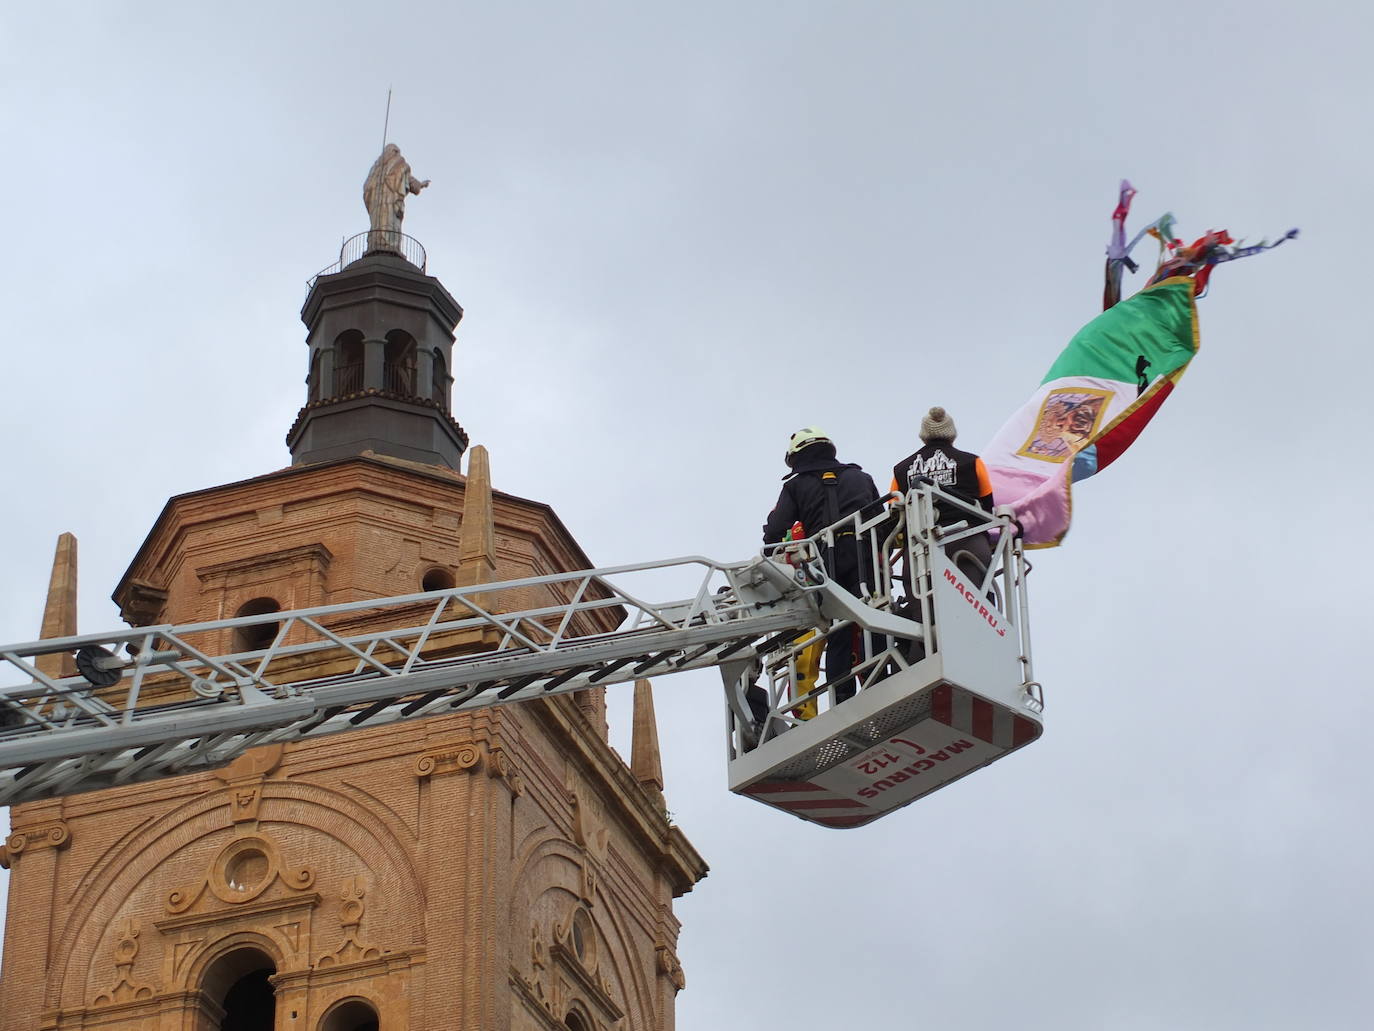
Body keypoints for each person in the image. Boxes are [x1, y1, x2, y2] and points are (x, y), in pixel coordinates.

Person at [762, 427, 881, 704]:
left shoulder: (795, 485)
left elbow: (776, 530)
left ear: (796, 457)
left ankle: (842, 697)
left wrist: (773, 546)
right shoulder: (861, 478)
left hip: (826, 561)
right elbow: (881, 519)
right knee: (874, 616)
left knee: (838, 627)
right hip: (864, 553)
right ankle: (881, 677)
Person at [891, 406, 995, 582]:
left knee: (923, 608)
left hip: (920, 551)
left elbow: (895, 515)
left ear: (923, 435)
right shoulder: (973, 462)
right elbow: (987, 507)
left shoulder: (900, 470)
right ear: (952, 434)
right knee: (976, 604)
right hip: (969, 542)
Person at [363, 143, 431, 252]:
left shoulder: (397, 166)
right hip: (382, 204)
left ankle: (386, 245)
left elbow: (409, 180)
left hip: (391, 202)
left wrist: (420, 185)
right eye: (395, 151)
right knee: (382, 222)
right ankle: (381, 243)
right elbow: (367, 188)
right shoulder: (377, 169)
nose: (395, 154)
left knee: (389, 222)